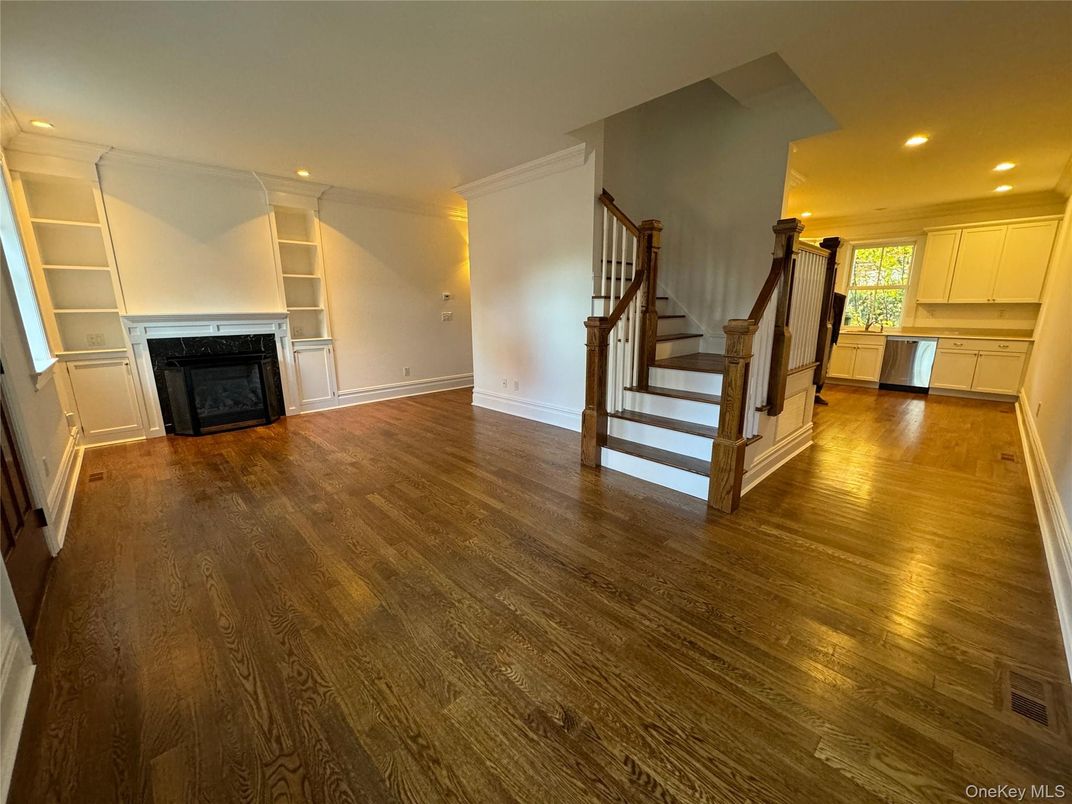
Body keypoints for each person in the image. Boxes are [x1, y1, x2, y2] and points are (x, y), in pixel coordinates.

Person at [815, 292, 847, 406]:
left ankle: (816, 393)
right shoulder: (817, 296)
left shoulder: (838, 299)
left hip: (829, 336)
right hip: (816, 336)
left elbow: (836, 320)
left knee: (824, 366)